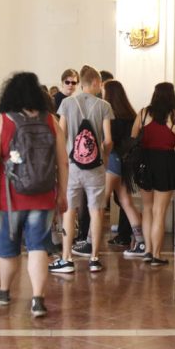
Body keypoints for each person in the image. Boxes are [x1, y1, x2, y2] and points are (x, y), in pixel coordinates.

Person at [0, 72, 68, 317]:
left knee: (8, 246)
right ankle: (38, 299)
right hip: (43, 195)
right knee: (38, 246)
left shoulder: (0, 121)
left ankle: (4, 290)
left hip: (9, 196)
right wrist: (62, 192)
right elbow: (63, 162)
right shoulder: (51, 120)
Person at [50, 65, 113, 273]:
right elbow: (108, 141)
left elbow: (62, 134)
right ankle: (94, 258)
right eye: (100, 84)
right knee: (96, 211)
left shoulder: (67, 103)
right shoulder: (104, 106)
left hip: (72, 167)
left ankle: (67, 258)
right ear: (94, 82)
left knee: (70, 211)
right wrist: (103, 158)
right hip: (96, 168)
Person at [133, 82, 175, 265]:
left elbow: (133, 138)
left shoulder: (143, 113)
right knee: (160, 212)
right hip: (166, 162)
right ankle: (156, 255)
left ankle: (148, 251)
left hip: (145, 163)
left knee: (147, 209)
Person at [100, 80, 146, 255]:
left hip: (112, 162)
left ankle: (90, 242)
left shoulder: (109, 117)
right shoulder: (131, 115)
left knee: (99, 203)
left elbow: (107, 143)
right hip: (127, 164)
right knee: (126, 202)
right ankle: (141, 242)